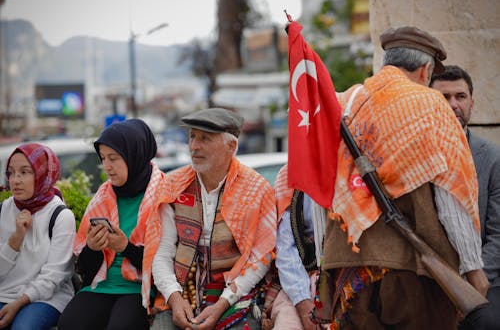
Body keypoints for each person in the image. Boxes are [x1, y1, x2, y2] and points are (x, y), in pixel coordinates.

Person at [317, 26, 489, 329]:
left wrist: (326, 261)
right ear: (425, 70)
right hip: (414, 275)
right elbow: (451, 195)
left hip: (348, 274)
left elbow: (321, 190)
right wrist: (472, 268)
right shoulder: (431, 105)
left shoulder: (343, 101)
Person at [150, 108, 277, 330]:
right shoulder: (172, 185)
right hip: (179, 292)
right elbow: (161, 252)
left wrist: (222, 304)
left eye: (205, 138)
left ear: (232, 147)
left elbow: (260, 260)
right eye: (192, 136)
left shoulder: (257, 190)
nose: (194, 146)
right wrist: (174, 297)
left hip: (233, 294)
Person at [58, 119, 168, 330]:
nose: (107, 166)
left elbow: (168, 264)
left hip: (140, 288)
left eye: (114, 158)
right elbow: (85, 273)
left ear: (135, 155)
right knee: (70, 324)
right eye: (103, 159)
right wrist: (92, 247)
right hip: (102, 285)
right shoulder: (102, 196)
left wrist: (125, 248)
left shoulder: (163, 195)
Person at [430, 65, 500, 330]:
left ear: (472, 103)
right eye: (443, 97)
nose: (453, 104)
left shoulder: (493, 159)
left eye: (460, 96)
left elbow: (498, 234)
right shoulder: (416, 157)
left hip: (485, 275)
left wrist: (473, 284)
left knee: (487, 322)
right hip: (430, 279)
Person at [0, 143, 75, 329]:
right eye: (11, 173)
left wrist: (19, 303)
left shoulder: (60, 215)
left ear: (43, 174)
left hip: (48, 298)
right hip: (4, 293)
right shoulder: (4, 209)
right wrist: (16, 238)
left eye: (25, 172)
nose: (15, 180)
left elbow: (55, 276)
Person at [271, 164, 331, 329]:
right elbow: (285, 248)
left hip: (347, 279)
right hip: (301, 279)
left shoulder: (354, 170)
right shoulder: (289, 175)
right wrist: (303, 304)